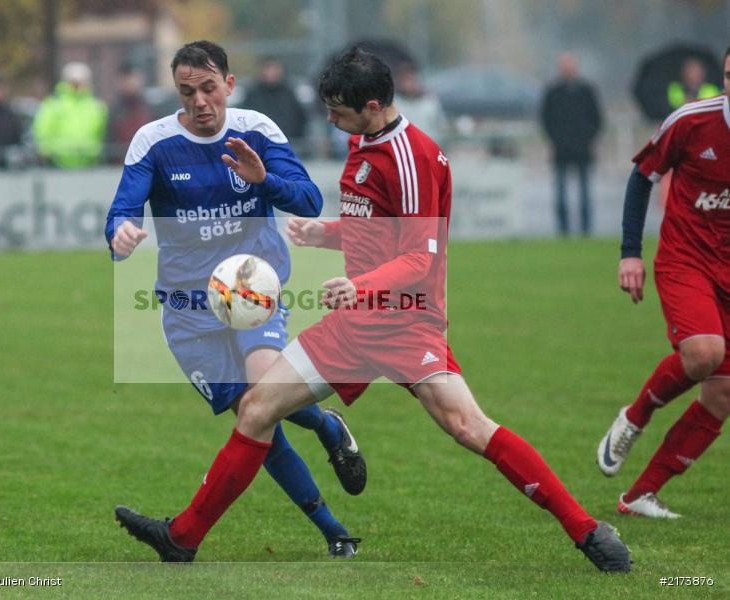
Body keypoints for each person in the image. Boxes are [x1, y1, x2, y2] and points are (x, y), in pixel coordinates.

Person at [114, 47, 632, 572]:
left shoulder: (411, 157)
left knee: (468, 426)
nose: (331, 120)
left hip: (405, 321)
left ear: (372, 104)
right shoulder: (364, 141)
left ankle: (586, 531)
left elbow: (418, 255)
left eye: (338, 110)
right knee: (257, 409)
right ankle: (182, 538)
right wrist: (326, 233)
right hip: (352, 326)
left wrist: (359, 287)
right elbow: (376, 228)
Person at [106, 41, 365, 558]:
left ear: (228, 83)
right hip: (187, 311)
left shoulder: (258, 130)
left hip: (251, 287)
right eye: (187, 91)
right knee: (254, 412)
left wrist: (264, 180)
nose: (199, 101)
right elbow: (121, 211)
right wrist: (122, 234)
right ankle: (328, 446)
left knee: (262, 403)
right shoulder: (153, 142)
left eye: (208, 88)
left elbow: (309, 199)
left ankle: (334, 533)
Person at [596, 45, 730, 519]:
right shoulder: (692, 121)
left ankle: (638, 496)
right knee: (705, 353)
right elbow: (642, 177)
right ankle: (635, 416)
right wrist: (630, 253)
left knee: (722, 394)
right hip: (685, 260)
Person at [540, 53, 602, 237]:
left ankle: (586, 229)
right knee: (560, 193)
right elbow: (546, 119)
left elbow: (597, 119)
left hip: (582, 149)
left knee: (585, 192)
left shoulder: (586, 91)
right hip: (561, 149)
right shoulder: (553, 92)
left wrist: (588, 139)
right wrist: (555, 139)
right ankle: (563, 230)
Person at [33, 62, 107, 169]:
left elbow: (102, 133)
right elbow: (42, 131)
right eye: (74, 82)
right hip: (57, 163)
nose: (77, 85)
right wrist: (45, 151)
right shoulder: (53, 104)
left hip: (90, 164)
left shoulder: (97, 107)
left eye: (80, 82)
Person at [240, 57, 308, 154]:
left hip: (289, 142)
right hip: (258, 145)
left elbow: (300, 118)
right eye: (267, 69)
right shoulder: (252, 93)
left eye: (274, 69)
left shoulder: (290, 92)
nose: (271, 73)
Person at [106, 61, 153, 164]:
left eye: (133, 78)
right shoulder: (115, 111)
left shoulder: (150, 108)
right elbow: (110, 142)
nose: (130, 83)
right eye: (126, 79)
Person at [393, 61, 446, 142]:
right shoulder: (394, 104)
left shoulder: (430, 102)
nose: (408, 84)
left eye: (411, 79)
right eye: (405, 80)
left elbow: (440, 126)